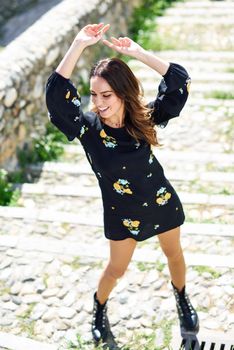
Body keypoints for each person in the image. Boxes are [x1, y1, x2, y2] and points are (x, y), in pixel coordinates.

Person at [45, 23, 199, 345]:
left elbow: (178, 83)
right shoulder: (88, 129)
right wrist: (77, 45)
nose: (99, 103)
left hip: (159, 200)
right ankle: (98, 308)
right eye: (94, 95)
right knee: (116, 270)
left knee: (174, 254)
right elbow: (57, 99)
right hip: (121, 212)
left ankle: (182, 298)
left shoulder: (143, 117)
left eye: (107, 95)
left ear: (123, 94)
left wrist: (139, 53)